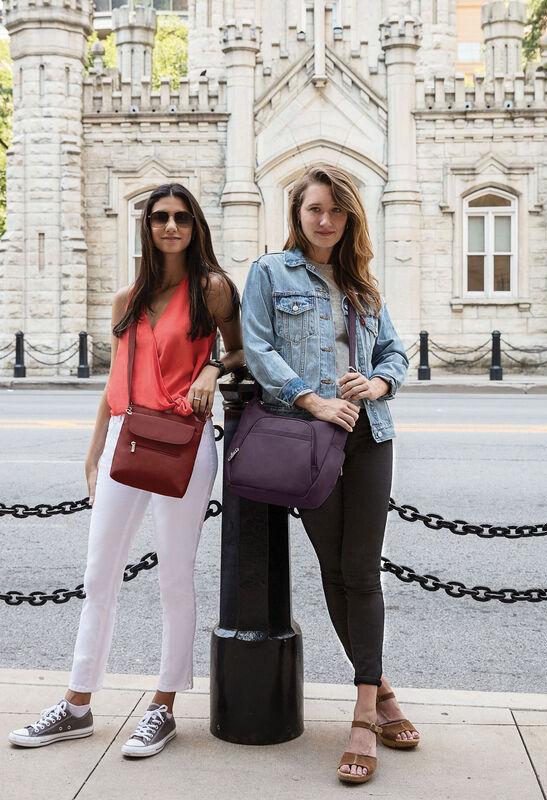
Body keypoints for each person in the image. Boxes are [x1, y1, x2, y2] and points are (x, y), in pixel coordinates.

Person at [8, 183, 243, 758]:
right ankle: (77, 704)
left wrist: (211, 369)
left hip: (185, 441)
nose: (171, 227)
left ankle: (163, 706)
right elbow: (116, 381)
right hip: (126, 437)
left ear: (196, 226)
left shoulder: (212, 289)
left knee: (174, 576)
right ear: (147, 226)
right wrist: (93, 453)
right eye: (160, 217)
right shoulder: (127, 300)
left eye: (181, 217)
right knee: (99, 575)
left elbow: (242, 350)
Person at [242, 163, 417, 785]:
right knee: (335, 570)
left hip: (369, 436)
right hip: (310, 440)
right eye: (315, 208)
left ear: (350, 218)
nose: (325, 220)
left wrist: (378, 383)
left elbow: (396, 352)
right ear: (298, 213)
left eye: (337, 211)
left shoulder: (362, 283)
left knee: (361, 572)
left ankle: (364, 713)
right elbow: (257, 347)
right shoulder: (270, 273)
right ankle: (382, 691)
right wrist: (310, 399)